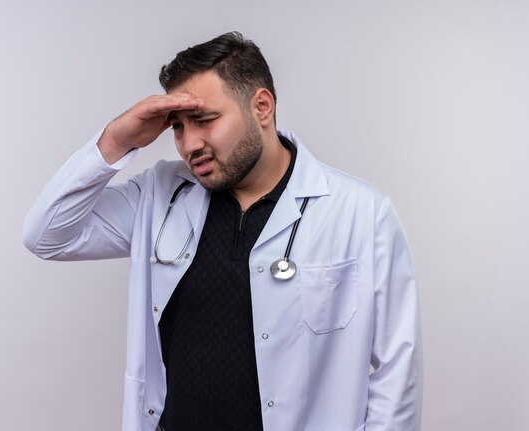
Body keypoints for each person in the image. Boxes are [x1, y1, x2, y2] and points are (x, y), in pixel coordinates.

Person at [23, 31, 422, 431]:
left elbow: (397, 370)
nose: (188, 143)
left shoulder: (360, 212)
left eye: (204, 120)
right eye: (178, 126)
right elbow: (47, 235)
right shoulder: (160, 195)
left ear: (261, 107)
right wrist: (114, 141)